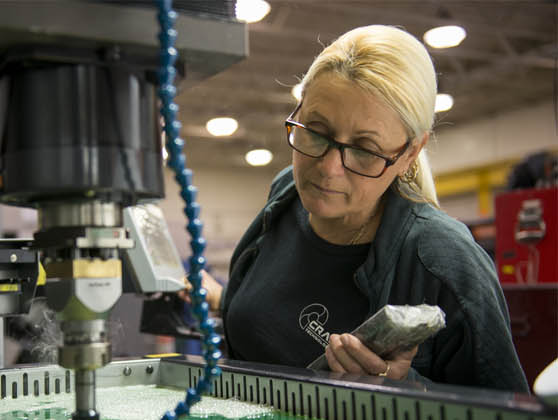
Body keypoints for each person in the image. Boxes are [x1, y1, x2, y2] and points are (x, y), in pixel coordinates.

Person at [208, 25, 527, 392]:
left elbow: (506, 407)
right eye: (316, 130)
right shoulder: (285, 196)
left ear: (410, 152)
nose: (327, 168)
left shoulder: (445, 262)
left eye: (364, 149)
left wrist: (407, 391)